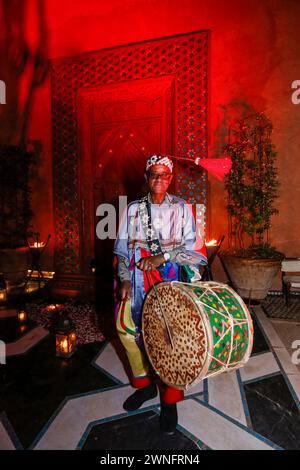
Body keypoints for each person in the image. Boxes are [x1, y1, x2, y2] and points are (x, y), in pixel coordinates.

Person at [114, 154, 207, 434]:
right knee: (127, 330)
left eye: (164, 175)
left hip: (168, 277)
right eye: (154, 174)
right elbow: (121, 248)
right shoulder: (132, 209)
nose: (159, 180)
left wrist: (163, 257)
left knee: (169, 338)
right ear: (146, 177)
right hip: (137, 277)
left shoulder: (181, 208)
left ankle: (169, 400)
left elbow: (195, 252)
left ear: (171, 178)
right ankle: (145, 387)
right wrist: (124, 278)